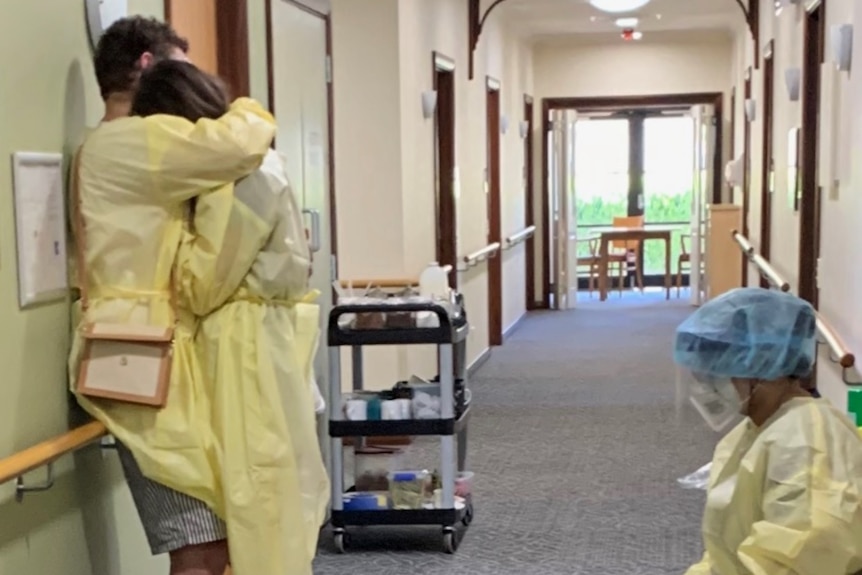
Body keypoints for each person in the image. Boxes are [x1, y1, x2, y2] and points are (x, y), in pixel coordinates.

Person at [68, 16, 277, 575]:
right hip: (140, 360)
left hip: (149, 351)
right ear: (147, 65)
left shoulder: (110, 144)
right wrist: (246, 106)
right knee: (200, 545)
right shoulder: (133, 141)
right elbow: (239, 144)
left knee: (214, 541)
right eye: (180, 69)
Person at [132, 59, 329, 575]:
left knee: (248, 511)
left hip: (241, 354)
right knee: (267, 508)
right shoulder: (264, 162)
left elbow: (200, 285)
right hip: (269, 347)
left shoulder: (235, 178)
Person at [673, 288, 862, 575]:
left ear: (763, 367)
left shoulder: (805, 443)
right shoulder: (758, 428)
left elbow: (798, 556)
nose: (708, 385)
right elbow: (724, 554)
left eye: (718, 373)